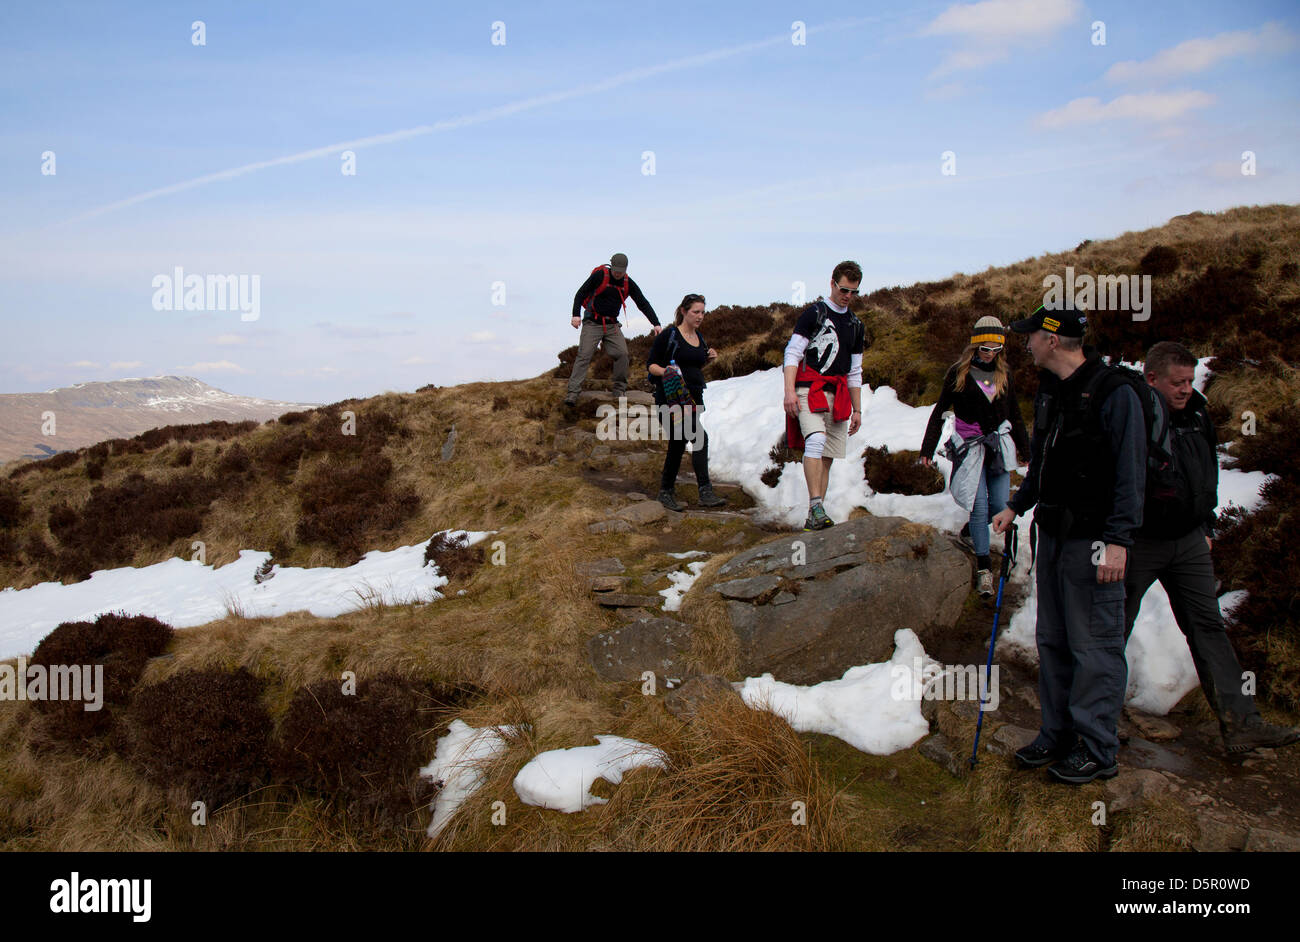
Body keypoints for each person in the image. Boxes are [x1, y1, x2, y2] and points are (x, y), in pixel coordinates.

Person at [992, 306, 1146, 785]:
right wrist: (1018, 504)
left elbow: (1130, 471)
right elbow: (1042, 461)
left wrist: (1119, 540)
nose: (1025, 343)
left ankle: (1097, 749)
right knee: (1053, 640)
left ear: (1053, 341)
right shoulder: (1051, 392)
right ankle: (1056, 733)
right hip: (1053, 534)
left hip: (1096, 542)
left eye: (1030, 336)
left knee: (1094, 645)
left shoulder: (1115, 392)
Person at [1125, 341, 1299, 753]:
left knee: (1209, 628)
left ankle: (1242, 724)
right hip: (1139, 542)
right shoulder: (1132, 416)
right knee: (1113, 628)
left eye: (1189, 380)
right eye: (1176, 382)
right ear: (1152, 379)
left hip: (1188, 543)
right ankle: (1095, 721)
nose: (1186, 389)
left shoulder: (1199, 413)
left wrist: (1206, 523)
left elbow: (1207, 472)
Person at [920, 316, 1031, 597]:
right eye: (985, 348)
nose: (990, 354)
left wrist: (1026, 450)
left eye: (996, 348)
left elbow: (1015, 414)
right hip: (969, 448)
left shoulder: (1004, 374)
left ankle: (970, 532)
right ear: (974, 347)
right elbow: (940, 413)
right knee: (980, 506)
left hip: (999, 448)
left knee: (999, 507)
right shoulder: (958, 373)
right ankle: (984, 569)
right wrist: (927, 449)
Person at [783, 261, 866, 531]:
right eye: (844, 289)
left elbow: (855, 371)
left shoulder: (856, 325)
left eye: (854, 292)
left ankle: (814, 513)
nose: (848, 296)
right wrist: (789, 392)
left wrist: (858, 409)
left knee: (827, 456)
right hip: (810, 389)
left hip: (839, 394)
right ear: (832, 283)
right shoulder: (814, 314)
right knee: (816, 441)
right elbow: (792, 353)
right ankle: (817, 505)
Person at [647, 294, 726, 511]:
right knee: (700, 437)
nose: (700, 316)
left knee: (678, 443)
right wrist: (667, 372)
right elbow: (651, 364)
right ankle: (705, 491)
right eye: (696, 312)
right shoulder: (669, 335)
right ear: (683, 311)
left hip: (693, 398)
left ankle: (666, 492)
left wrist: (709, 359)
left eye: (703, 312)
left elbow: (694, 369)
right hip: (670, 399)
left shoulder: (699, 337)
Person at [564, 253, 662, 409]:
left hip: (612, 325)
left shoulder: (628, 283)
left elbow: (642, 302)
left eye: (621, 271)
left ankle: (619, 390)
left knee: (622, 354)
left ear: (626, 269)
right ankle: (572, 393)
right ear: (611, 266)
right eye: (615, 270)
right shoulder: (600, 276)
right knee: (584, 355)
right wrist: (576, 315)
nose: (617, 273)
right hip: (592, 322)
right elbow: (580, 293)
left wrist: (655, 323)